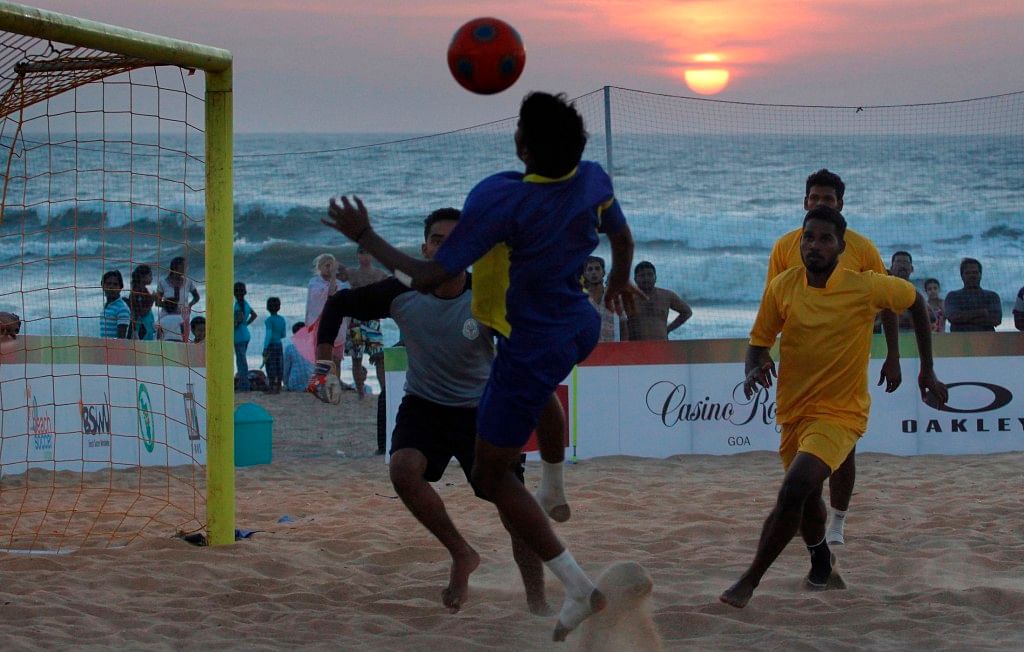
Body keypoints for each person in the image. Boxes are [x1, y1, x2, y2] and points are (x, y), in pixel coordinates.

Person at [321, 91, 642, 641]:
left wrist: (365, 237)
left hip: (528, 346)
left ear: (520, 144)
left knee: (493, 478)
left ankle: (576, 586)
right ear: (580, 145)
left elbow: (426, 274)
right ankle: (555, 486)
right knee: (542, 404)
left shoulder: (499, 199)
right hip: (579, 328)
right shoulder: (594, 179)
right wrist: (617, 278)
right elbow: (621, 236)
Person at [313, 207, 552, 615]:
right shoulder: (400, 291)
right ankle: (462, 553)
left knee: (514, 511)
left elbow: (529, 351)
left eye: (457, 239)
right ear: (425, 248)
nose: (447, 246)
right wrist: (323, 368)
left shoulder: (488, 299)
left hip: (483, 411)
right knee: (402, 470)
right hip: (425, 404)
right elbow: (338, 306)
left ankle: (538, 602)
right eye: (438, 240)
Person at [720, 205, 947, 609]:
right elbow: (757, 344)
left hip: (842, 413)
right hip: (793, 411)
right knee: (807, 504)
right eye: (809, 237)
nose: (815, 245)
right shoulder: (783, 286)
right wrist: (753, 370)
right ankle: (822, 562)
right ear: (800, 242)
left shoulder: (864, 286)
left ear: (842, 247)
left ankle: (748, 581)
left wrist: (925, 370)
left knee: (793, 489)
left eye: (826, 239)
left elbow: (914, 303)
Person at [763, 168, 902, 547]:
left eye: (828, 199)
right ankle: (810, 521)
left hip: (844, 363)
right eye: (815, 198)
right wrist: (761, 352)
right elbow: (772, 304)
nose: (821, 203)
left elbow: (891, 302)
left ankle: (838, 521)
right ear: (804, 201)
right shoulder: (784, 247)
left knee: (842, 450)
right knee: (800, 456)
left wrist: (893, 354)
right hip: (798, 368)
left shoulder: (861, 248)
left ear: (841, 204)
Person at [348, 246, 390, 399]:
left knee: (379, 357)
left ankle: (384, 391)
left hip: (373, 321)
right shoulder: (352, 273)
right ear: (357, 255)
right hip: (356, 321)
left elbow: (391, 292)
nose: (364, 256)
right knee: (357, 357)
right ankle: (360, 392)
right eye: (361, 253)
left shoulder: (380, 275)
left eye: (367, 252)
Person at [305, 253, 350, 382]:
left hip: (337, 325)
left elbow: (339, 297)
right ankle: (322, 385)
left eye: (332, 265)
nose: (330, 268)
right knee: (323, 359)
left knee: (336, 359)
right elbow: (327, 295)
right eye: (327, 265)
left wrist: (334, 278)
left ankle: (336, 385)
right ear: (320, 267)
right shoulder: (314, 283)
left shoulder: (340, 284)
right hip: (320, 324)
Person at [623, 261, 692, 340]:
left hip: (661, 345)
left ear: (655, 277)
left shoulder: (667, 295)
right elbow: (614, 318)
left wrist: (668, 329)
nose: (646, 278)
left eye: (650, 275)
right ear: (635, 279)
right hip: (635, 345)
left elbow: (687, 312)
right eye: (642, 275)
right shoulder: (627, 297)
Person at [874, 252, 934, 332]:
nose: (902, 265)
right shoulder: (882, 291)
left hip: (913, 339)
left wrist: (908, 316)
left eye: (906, 262)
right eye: (898, 262)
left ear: (912, 268)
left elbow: (932, 318)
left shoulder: (916, 294)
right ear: (891, 267)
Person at [943, 258, 1003, 332]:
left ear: (980, 274)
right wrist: (981, 312)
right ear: (962, 276)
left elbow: (996, 320)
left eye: (975, 272)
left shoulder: (992, 296)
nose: (971, 275)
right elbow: (952, 317)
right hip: (959, 340)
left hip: (987, 341)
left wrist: (963, 318)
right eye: (968, 273)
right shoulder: (952, 296)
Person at [583, 255, 623, 342]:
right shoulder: (581, 299)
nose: (594, 272)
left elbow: (623, 323)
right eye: (590, 269)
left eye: (597, 268)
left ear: (603, 272)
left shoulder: (615, 297)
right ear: (585, 274)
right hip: (589, 349)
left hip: (613, 348)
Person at [233, 282, 258, 391]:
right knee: (242, 360)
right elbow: (254, 315)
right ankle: (244, 384)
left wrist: (232, 327)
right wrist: (246, 324)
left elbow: (238, 319)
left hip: (238, 336)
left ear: (234, 292)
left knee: (241, 361)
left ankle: (244, 385)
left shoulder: (238, 305)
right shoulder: (246, 303)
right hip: (246, 334)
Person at [262, 297, 287, 394]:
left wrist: (265, 348)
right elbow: (283, 334)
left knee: (270, 366)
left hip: (271, 345)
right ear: (279, 307)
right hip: (279, 344)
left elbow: (268, 335)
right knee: (279, 364)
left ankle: (272, 386)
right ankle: (278, 386)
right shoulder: (282, 319)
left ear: (267, 307)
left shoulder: (269, 320)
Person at [128, 264, 157, 340]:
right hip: (141, 325)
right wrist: (152, 299)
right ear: (142, 277)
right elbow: (141, 312)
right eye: (150, 275)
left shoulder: (142, 290)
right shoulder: (137, 292)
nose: (152, 278)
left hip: (144, 324)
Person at [283, 322, 314, 391]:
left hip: (295, 384)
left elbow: (286, 369)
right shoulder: (313, 347)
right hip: (313, 384)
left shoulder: (289, 348)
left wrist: (285, 383)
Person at [100, 270, 131, 339]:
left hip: (115, 348)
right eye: (108, 283)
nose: (111, 287)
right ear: (102, 285)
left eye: (115, 284)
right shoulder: (106, 306)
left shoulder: (122, 308)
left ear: (120, 288)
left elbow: (121, 339)